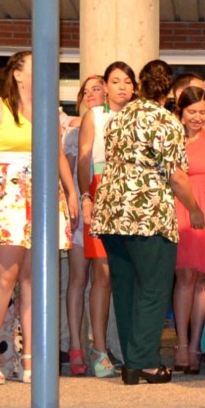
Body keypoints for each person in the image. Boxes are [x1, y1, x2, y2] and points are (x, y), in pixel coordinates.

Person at [0, 52, 76, 385]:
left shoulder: (46, 110)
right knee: (5, 276)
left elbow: (57, 154)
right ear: (18, 74)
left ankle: (30, 358)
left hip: (42, 191)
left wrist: (71, 192)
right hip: (8, 192)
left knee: (32, 280)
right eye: (35, 65)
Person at [91, 59, 205, 385]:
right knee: (154, 288)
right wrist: (194, 209)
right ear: (170, 91)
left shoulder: (118, 118)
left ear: (140, 84)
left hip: (111, 213)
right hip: (147, 215)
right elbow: (176, 176)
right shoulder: (166, 121)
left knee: (125, 287)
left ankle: (132, 363)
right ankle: (145, 363)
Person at [78, 60, 136, 377]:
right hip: (101, 189)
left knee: (128, 273)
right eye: (115, 81)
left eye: (127, 81)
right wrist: (86, 196)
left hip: (134, 195)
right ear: (106, 86)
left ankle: (130, 347)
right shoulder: (95, 116)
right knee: (102, 272)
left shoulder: (140, 115)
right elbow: (84, 158)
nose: (122, 86)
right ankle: (98, 348)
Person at [173, 84, 205, 373]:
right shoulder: (173, 140)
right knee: (185, 278)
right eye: (192, 111)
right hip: (184, 207)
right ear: (180, 112)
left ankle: (195, 346)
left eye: (202, 112)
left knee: (203, 280)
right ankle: (181, 345)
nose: (197, 117)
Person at [61, 75, 104, 376]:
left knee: (103, 278)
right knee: (78, 278)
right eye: (85, 91)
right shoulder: (72, 129)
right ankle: (75, 345)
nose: (89, 94)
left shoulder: (113, 123)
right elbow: (65, 168)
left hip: (105, 206)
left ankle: (100, 346)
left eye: (96, 89)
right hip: (78, 205)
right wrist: (72, 199)